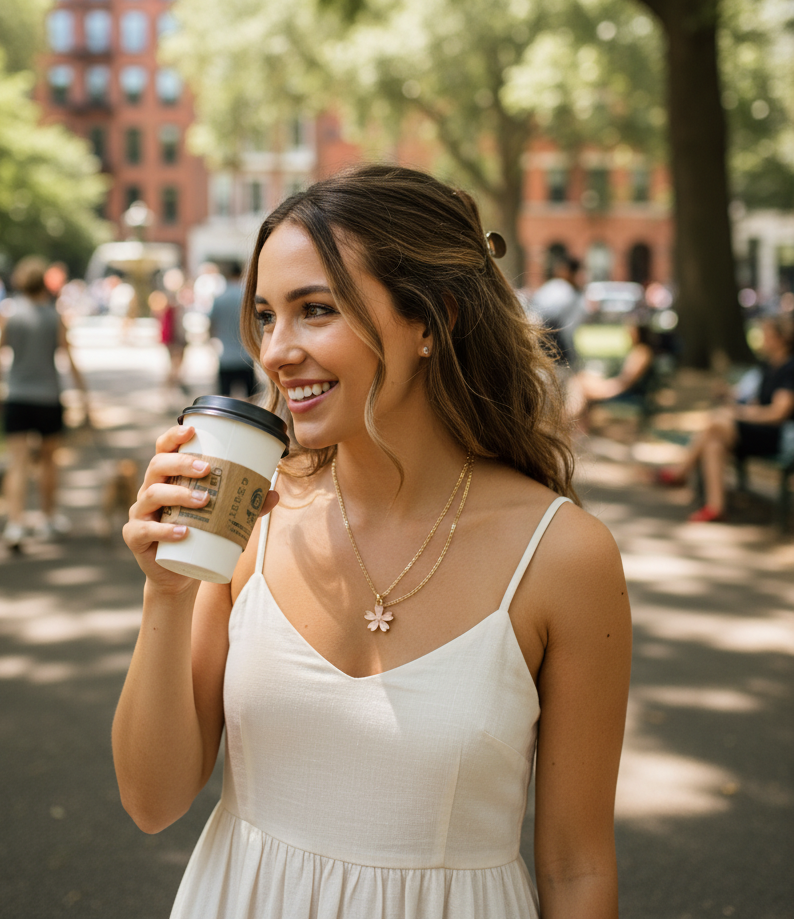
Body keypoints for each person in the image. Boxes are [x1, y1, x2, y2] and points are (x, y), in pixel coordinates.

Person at [114, 165, 631, 919]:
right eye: (266, 316)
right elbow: (152, 801)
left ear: (434, 320)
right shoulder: (253, 520)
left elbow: (578, 868)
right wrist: (166, 592)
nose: (277, 351)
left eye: (315, 311)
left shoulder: (564, 558)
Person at [0, 256, 89, 550]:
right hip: (48, 397)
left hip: (17, 396)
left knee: (17, 462)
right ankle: (48, 517)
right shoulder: (54, 316)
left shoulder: (8, 316)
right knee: (48, 462)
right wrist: (84, 394)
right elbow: (68, 357)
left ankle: (15, 523)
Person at [656, 315, 794, 522]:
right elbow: (758, 402)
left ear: (781, 339)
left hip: (777, 437)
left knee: (717, 422)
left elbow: (778, 413)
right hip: (757, 431)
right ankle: (715, 506)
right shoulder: (768, 366)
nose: (762, 339)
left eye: (766, 334)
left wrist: (741, 413)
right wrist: (733, 399)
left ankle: (681, 472)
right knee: (714, 443)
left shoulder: (789, 369)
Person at [565, 320, 656, 428]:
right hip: (622, 387)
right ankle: (573, 421)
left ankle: (567, 419)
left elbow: (626, 381)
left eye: (631, 331)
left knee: (580, 384)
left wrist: (605, 384)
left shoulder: (642, 353)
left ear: (639, 333)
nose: (628, 334)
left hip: (624, 392)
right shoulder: (640, 351)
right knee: (581, 380)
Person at [209, 260, 257, 399]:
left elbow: (212, 325)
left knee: (225, 400)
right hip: (246, 357)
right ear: (241, 273)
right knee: (251, 400)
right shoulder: (247, 297)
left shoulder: (219, 298)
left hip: (226, 357)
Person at [531, 255, 583, 369]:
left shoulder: (555, 287)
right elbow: (548, 318)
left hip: (546, 344)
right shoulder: (563, 290)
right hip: (555, 345)